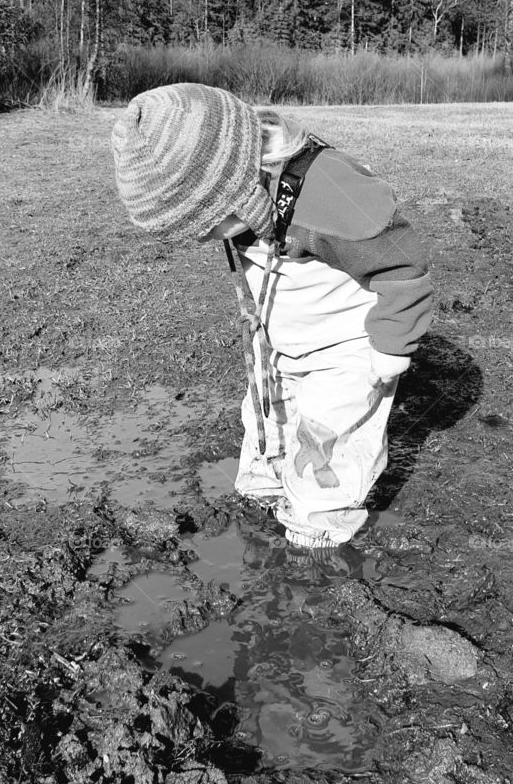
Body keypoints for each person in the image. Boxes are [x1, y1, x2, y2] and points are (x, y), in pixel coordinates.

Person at [111, 83, 433, 554]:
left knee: (328, 434)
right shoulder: (245, 188)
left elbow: (405, 266)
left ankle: (318, 527)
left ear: (238, 190)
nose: (203, 240)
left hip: (346, 346)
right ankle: (267, 488)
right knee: (266, 412)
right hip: (281, 339)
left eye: (207, 227)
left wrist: (391, 345)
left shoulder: (333, 196)